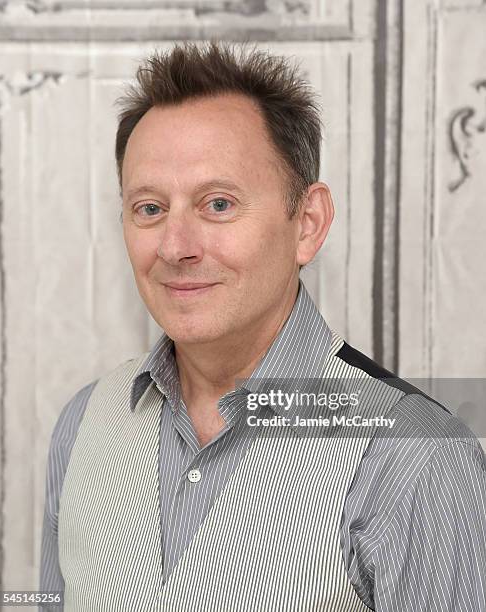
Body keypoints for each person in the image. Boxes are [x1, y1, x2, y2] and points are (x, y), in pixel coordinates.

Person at [40, 42, 486, 611]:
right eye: (149, 208)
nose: (175, 247)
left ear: (307, 223)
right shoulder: (82, 423)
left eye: (218, 204)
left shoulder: (416, 461)